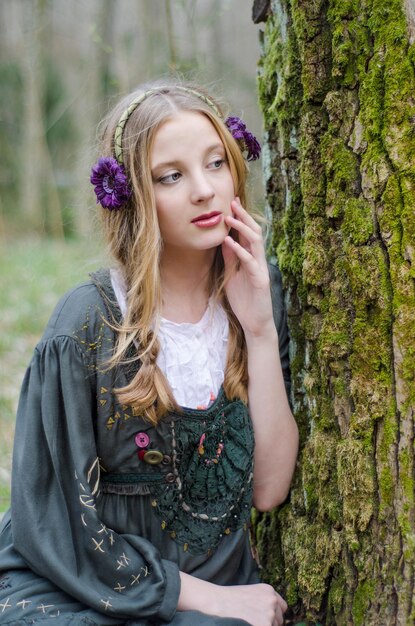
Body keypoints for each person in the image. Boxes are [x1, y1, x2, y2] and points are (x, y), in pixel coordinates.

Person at [0, 78, 298, 626]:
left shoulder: (258, 294)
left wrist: (258, 331)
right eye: (172, 176)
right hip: (81, 587)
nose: (204, 191)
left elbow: (269, 490)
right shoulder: (85, 326)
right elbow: (55, 522)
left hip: (215, 594)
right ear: (133, 193)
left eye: (216, 163)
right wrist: (213, 599)